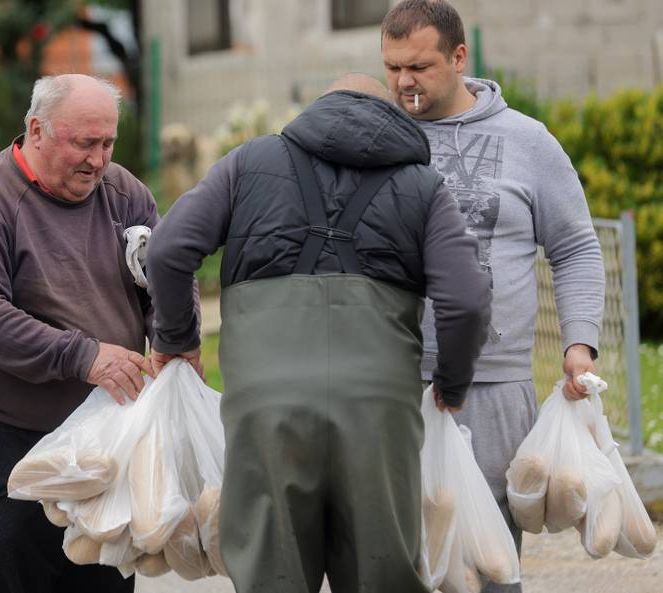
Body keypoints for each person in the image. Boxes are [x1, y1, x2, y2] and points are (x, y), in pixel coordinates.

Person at [145, 73, 491, 593]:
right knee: (384, 575)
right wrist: (452, 382)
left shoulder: (249, 162)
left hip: (266, 406)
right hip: (379, 411)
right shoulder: (423, 186)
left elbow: (168, 250)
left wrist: (178, 339)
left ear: (317, 111)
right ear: (389, 117)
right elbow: (466, 300)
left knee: (272, 576)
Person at [380, 2, 606, 591]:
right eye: (393, 67)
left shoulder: (527, 141)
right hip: (387, 382)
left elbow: (576, 247)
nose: (404, 82)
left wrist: (580, 342)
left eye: (419, 67)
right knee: (392, 561)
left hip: (493, 385)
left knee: (490, 564)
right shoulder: (377, 139)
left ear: (459, 57)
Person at [0, 74, 158, 593]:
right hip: (3, 434)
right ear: (37, 130)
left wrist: (174, 336)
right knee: (5, 573)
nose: (97, 160)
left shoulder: (123, 192)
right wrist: (84, 356)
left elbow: (164, 273)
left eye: (108, 143)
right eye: (84, 143)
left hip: (104, 432)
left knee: (100, 577)